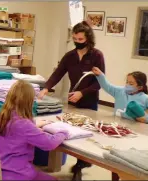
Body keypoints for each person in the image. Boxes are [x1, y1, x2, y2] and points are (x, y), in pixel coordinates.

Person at [38, 20, 105, 179]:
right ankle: (80, 163)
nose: (77, 42)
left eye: (81, 40)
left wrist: (82, 93)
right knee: (71, 132)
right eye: (75, 39)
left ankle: (79, 166)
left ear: (88, 38)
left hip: (90, 100)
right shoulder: (70, 56)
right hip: (72, 99)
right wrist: (46, 87)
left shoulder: (97, 56)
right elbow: (58, 73)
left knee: (85, 133)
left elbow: (100, 82)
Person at [0, 80, 69, 180]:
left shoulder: (2, 117)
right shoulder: (24, 125)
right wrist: (64, 132)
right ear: (29, 102)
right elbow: (49, 143)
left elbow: (18, 131)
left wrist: (34, 125)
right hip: (18, 175)